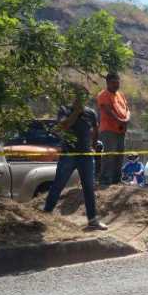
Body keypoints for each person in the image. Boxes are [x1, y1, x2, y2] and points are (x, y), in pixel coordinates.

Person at [44, 89, 107, 231]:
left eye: (83, 97)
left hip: (85, 156)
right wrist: (76, 112)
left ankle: (93, 220)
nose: (79, 99)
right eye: (77, 96)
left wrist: (93, 145)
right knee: (58, 184)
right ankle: (46, 215)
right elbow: (63, 126)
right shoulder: (64, 110)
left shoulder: (91, 113)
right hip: (69, 154)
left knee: (89, 188)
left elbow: (96, 130)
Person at [96, 72, 130, 186]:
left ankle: (116, 179)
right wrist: (120, 120)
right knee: (109, 155)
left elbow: (127, 109)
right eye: (113, 83)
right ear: (108, 83)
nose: (116, 85)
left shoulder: (121, 95)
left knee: (120, 155)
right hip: (109, 130)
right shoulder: (103, 95)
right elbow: (107, 111)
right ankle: (105, 179)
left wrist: (127, 118)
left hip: (121, 130)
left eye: (118, 82)